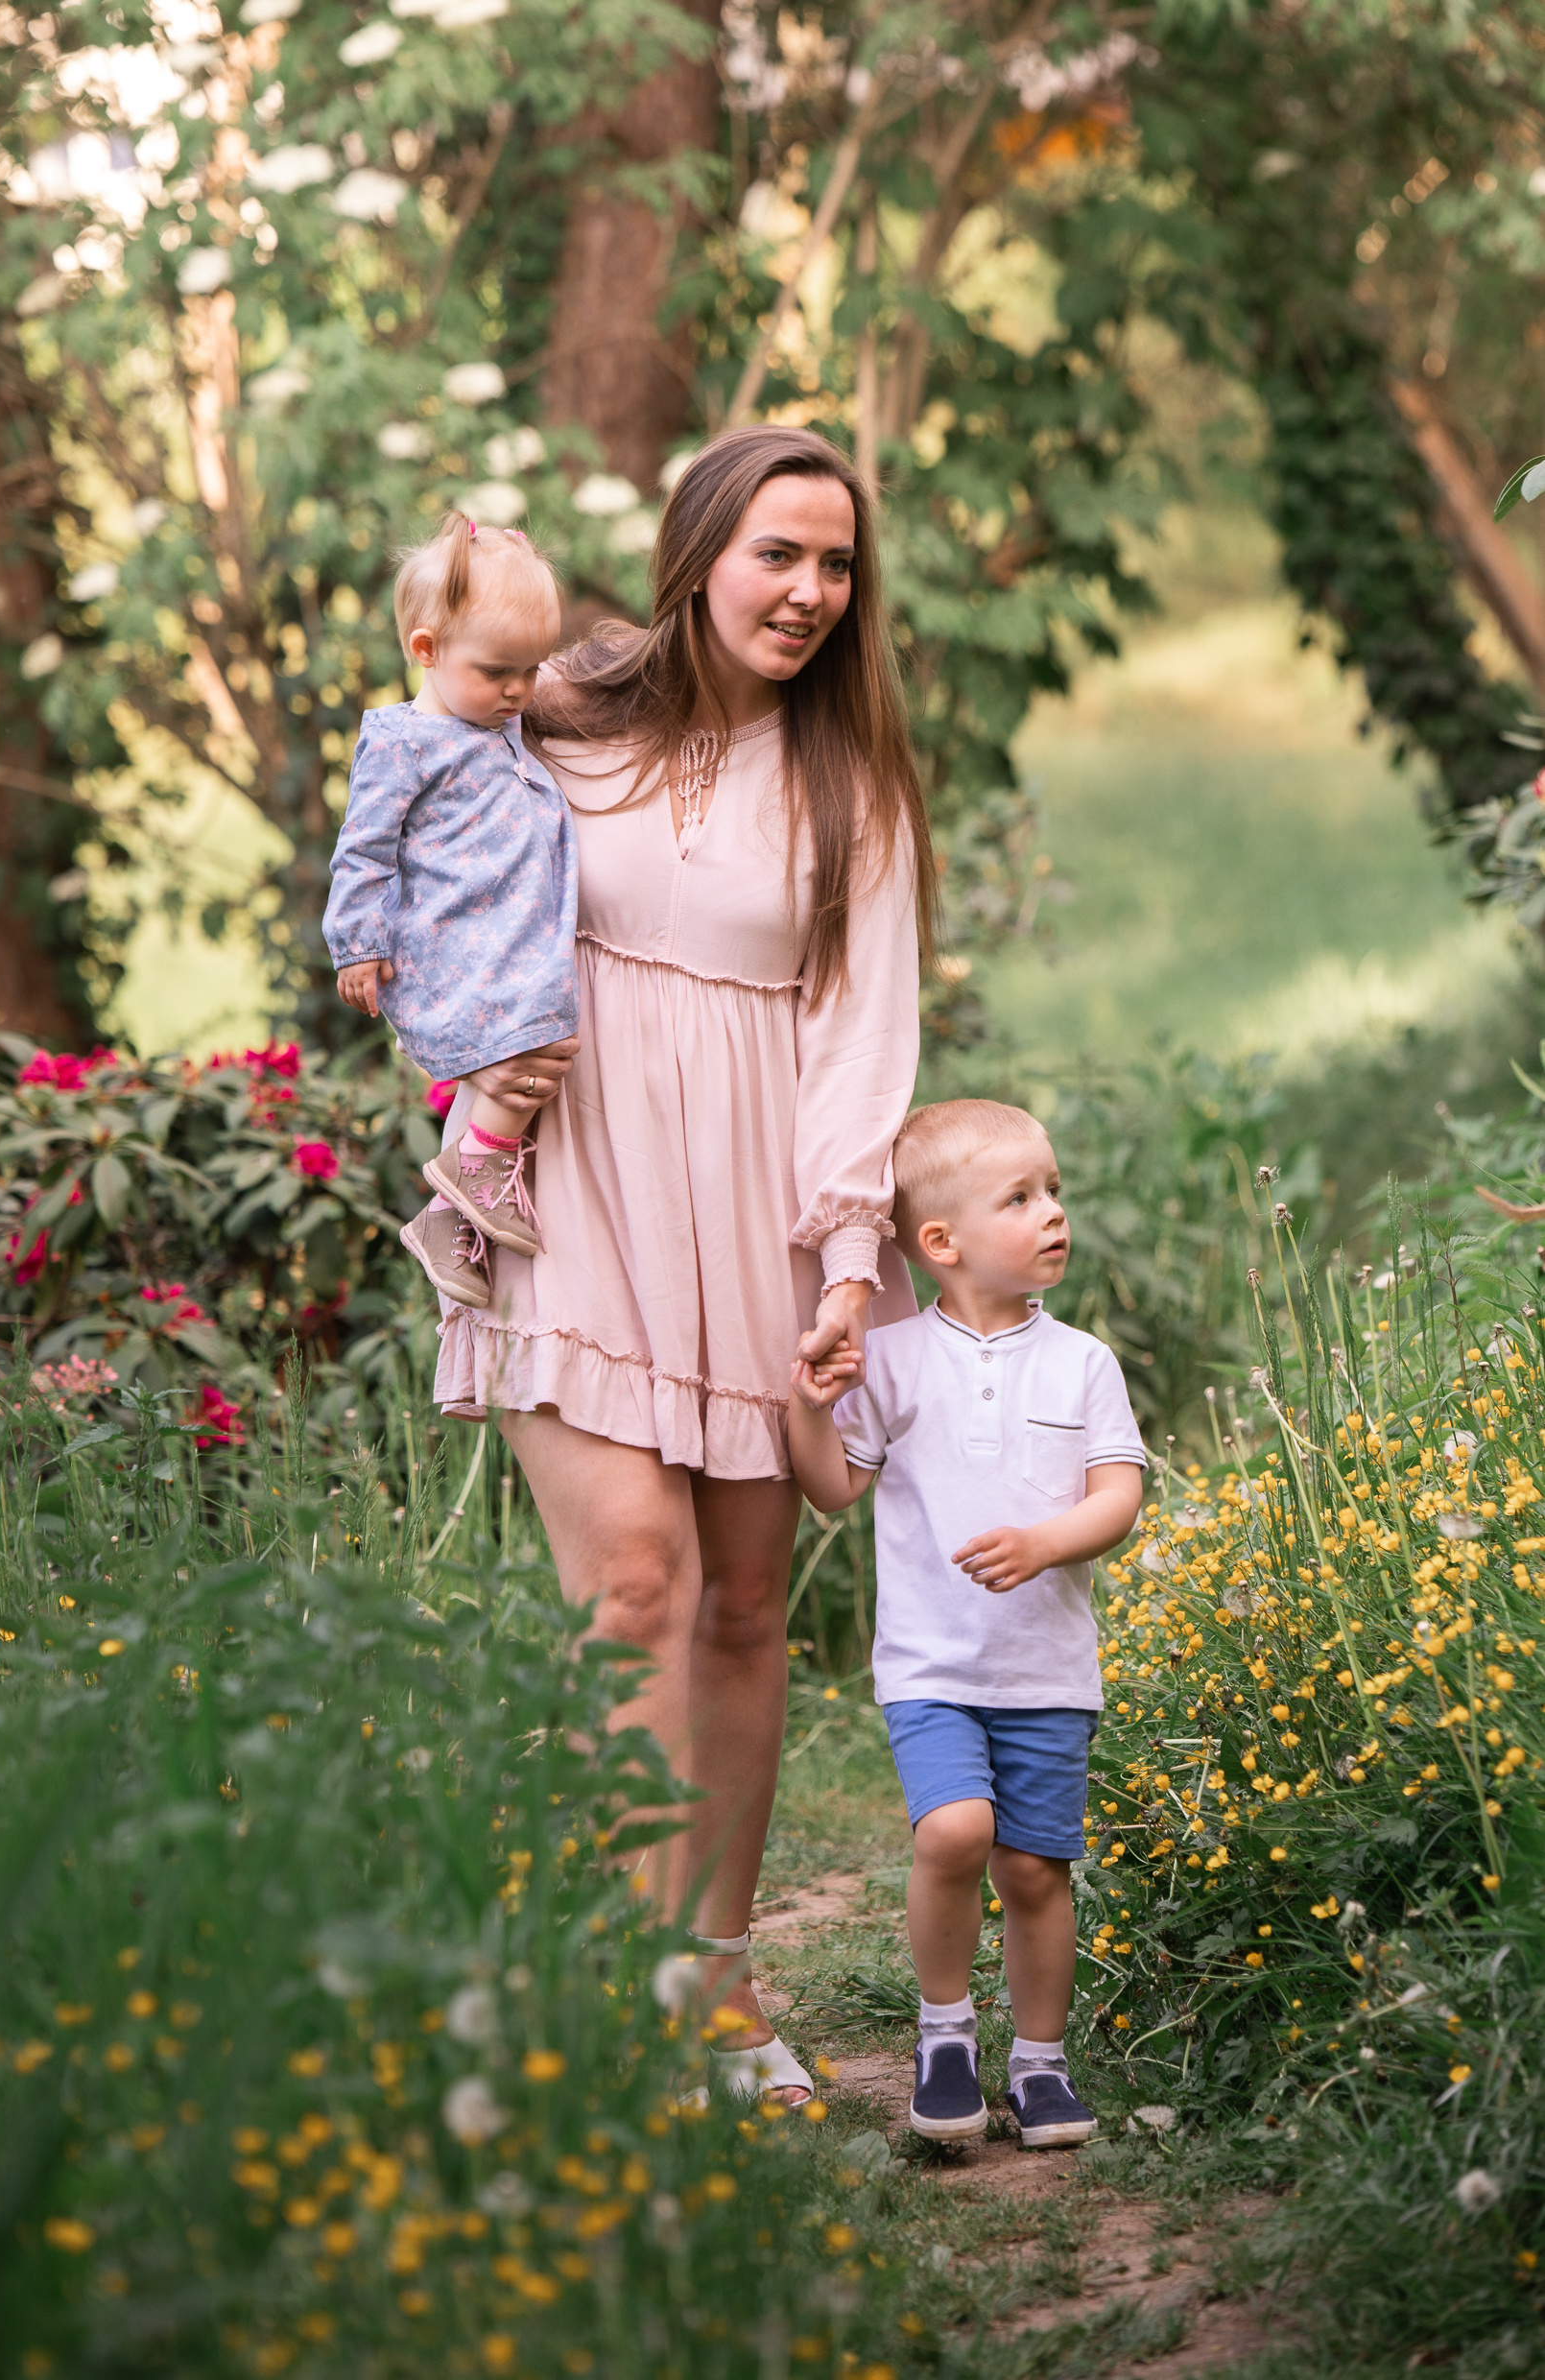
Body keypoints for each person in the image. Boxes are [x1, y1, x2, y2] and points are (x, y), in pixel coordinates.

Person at [431, 425, 934, 2104]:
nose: (806, 591)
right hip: (571, 1185)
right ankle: (625, 1986)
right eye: (777, 553)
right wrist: (461, 1058)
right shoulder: (556, 713)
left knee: (734, 1605)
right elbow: (432, 861)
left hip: (757, 1210)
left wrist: (848, 1258)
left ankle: (716, 1982)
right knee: (632, 1576)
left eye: (834, 563)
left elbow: (865, 1036)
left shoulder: (851, 782)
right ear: (700, 547)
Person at [786, 1099, 1145, 2144]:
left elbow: (1118, 1494)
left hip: (1046, 1670)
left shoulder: (1082, 1362)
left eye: (1054, 1190)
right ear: (938, 1242)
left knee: (1034, 1868)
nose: (1053, 1213)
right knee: (955, 1829)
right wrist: (809, 1404)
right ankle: (944, 2031)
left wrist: (1046, 1541)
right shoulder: (892, 1360)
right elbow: (830, 1491)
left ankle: (1040, 2062)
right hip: (932, 1665)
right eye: (1021, 1196)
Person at [323, 513, 579, 1309]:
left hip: (504, 938)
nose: (518, 691)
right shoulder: (405, 742)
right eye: (499, 670)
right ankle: (479, 1167)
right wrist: (355, 944)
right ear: (425, 650)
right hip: (450, 944)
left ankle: (449, 1220)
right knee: (546, 1040)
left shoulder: (497, 720)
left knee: (538, 1047)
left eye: (532, 670)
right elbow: (363, 847)